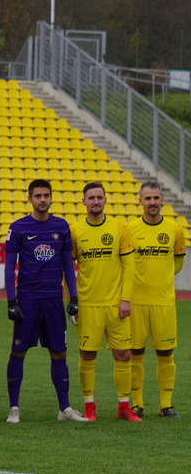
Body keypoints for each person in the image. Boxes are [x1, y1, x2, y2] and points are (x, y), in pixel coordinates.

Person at [4, 179, 87, 423]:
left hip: (53, 300)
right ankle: (14, 408)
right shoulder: (18, 228)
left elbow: (67, 264)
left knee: (59, 354)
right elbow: (9, 267)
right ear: (29, 198)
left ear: (51, 198)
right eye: (38, 196)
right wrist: (11, 300)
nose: (42, 200)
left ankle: (65, 409)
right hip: (27, 301)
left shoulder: (61, 226)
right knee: (18, 352)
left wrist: (73, 297)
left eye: (46, 195)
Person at [70, 181, 140, 422]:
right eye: (91, 198)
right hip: (88, 305)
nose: (96, 201)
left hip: (116, 305)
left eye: (99, 197)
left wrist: (126, 299)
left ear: (105, 200)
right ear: (83, 201)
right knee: (87, 355)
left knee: (124, 354)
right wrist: (73, 302)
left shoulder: (119, 227)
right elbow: (68, 269)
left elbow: (129, 266)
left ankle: (124, 406)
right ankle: (89, 406)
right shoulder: (75, 230)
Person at [128, 180, 186, 419]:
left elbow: (177, 264)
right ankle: (137, 404)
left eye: (156, 198)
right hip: (135, 302)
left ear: (162, 200)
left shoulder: (175, 230)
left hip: (164, 302)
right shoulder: (130, 229)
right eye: (148, 198)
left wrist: (159, 279)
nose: (152, 202)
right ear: (140, 201)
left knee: (166, 353)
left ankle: (166, 405)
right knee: (135, 353)